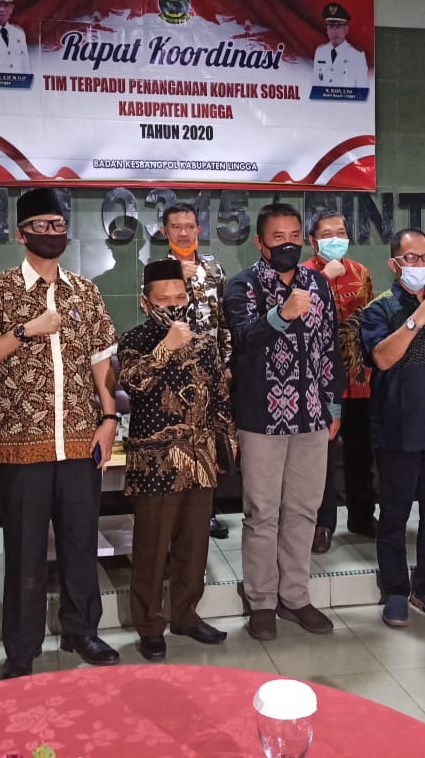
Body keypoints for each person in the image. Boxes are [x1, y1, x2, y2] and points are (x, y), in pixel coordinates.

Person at [0, 187, 121, 674]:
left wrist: (110, 419)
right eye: (41, 226)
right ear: (21, 233)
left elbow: (102, 362)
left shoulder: (85, 291)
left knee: (80, 542)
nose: (52, 233)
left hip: (79, 438)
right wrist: (24, 330)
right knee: (25, 551)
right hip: (20, 444)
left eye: (58, 225)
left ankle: (82, 631)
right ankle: (22, 647)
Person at [223, 203, 346, 641]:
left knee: (303, 511)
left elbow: (330, 346)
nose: (288, 244)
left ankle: (295, 596)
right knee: (261, 514)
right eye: (278, 237)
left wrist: (333, 405)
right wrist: (282, 314)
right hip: (261, 420)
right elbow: (242, 340)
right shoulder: (243, 286)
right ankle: (261, 601)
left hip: (312, 417)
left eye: (294, 236)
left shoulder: (318, 283)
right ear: (261, 242)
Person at [117, 260, 237, 661]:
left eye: (180, 297)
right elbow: (132, 383)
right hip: (155, 463)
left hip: (200, 458)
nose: (173, 304)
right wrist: (165, 347)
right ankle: (150, 625)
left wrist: (226, 444)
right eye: (163, 298)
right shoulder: (133, 340)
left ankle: (186, 615)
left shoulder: (203, 342)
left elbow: (219, 397)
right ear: (145, 301)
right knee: (151, 548)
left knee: (194, 545)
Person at [361, 229, 425, 627]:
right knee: (394, 515)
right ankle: (396, 591)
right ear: (395, 263)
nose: (421, 264)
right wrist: (416, 320)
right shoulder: (379, 309)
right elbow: (382, 359)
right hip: (398, 430)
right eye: (411, 258)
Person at [301, 209, 376, 553]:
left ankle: (362, 516)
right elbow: (301, 320)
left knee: (361, 452)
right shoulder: (303, 275)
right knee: (322, 457)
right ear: (313, 241)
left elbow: (369, 321)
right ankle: (323, 523)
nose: (336, 239)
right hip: (320, 382)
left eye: (341, 232)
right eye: (327, 234)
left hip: (359, 377)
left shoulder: (361, 273)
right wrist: (323, 279)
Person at [159, 200, 232, 540]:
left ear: (198, 229)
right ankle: (177, 514)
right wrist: (179, 280)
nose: (184, 232)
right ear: (165, 232)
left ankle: (208, 513)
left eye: (189, 226)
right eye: (176, 227)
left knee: (211, 442)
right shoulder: (158, 270)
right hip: (175, 371)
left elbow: (225, 319)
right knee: (180, 440)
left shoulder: (214, 267)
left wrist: (227, 363)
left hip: (213, 369)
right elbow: (157, 321)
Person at [311, 2, 369, 88]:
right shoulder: (320, 51)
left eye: (338, 26)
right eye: (331, 26)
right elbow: (316, 86)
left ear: (346, 29)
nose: (334, 31)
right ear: (327, 30)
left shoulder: (357, 55)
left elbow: (362, 90)